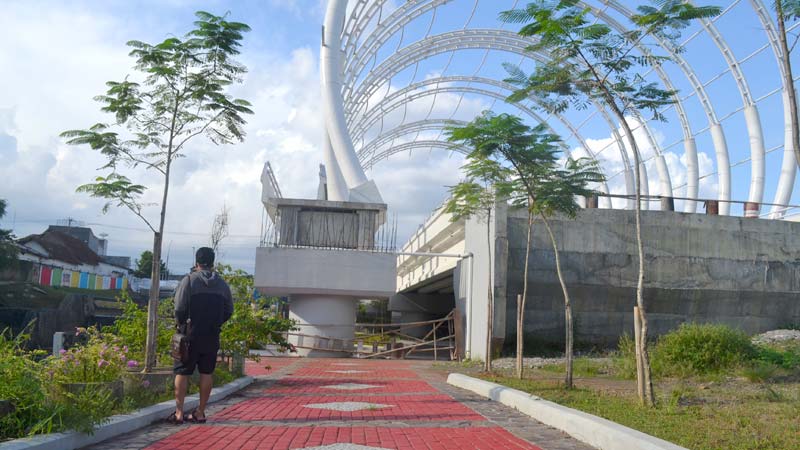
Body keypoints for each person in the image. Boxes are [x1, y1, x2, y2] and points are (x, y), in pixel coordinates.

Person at [168, 247, 233, 424]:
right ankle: (201, 412)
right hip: (211, 335)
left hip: (189, 336)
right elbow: (229, 310)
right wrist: (216, 323)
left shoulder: (188, 281)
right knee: (207, 372)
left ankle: (179, 413)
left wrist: (180, 324)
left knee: (182, 371)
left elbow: (179, 308)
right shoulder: (222, 284)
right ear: (212, 263)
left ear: (196, 262)